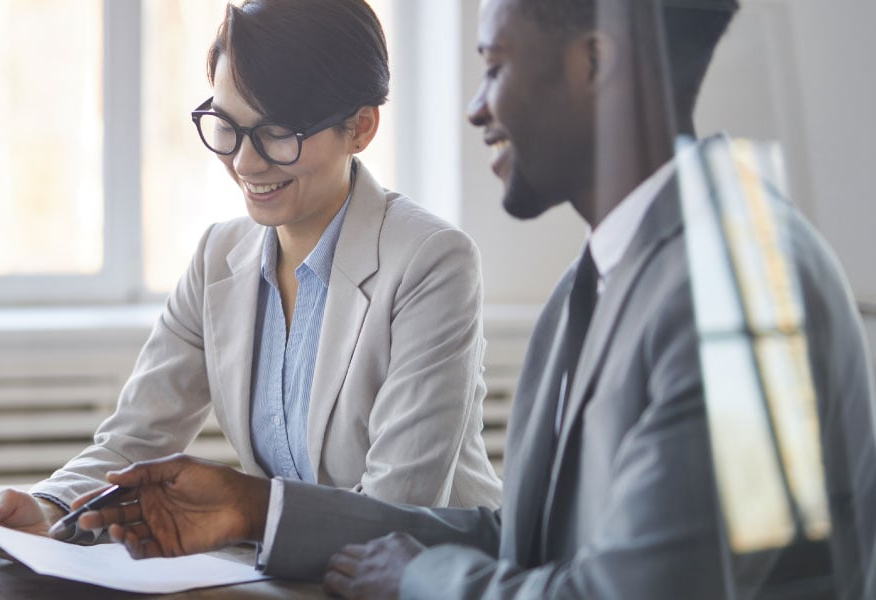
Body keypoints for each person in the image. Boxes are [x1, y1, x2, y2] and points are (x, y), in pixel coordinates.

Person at [77, 0, 876, 598]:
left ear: (594, 64)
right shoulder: (594, 284)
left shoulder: (743, 295)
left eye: (496, 65)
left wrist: (426, 580)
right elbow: (527, 540)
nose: (476, 107)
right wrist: (258, 509)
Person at [0, 0, 502, 543]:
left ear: (361, 127)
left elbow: (396, 511)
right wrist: (49, 506)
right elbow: (137, 438)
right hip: (292, 577)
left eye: (278, 132)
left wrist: (250, 512)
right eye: (226, 125)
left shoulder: (432, 261)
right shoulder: (219, 255)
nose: (246, 163)